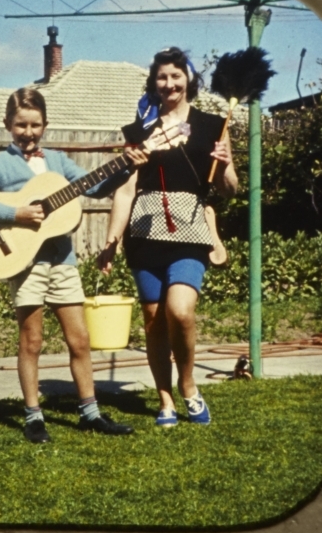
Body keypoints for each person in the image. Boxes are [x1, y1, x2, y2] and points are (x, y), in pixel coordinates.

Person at [0, 88, 138, 443]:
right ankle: (33, 416)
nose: (28, 132)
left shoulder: (56, 161)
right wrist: (16, 213)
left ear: (45, 125)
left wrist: (127, 164)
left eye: (35, 124)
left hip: (63, 260)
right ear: (7, 125)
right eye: (21, 125)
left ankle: (90, 413)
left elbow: (96, 187)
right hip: (24, 261)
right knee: (32, 340)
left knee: (81, 339)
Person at [98, 47, 238, 427]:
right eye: (162, 77)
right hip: (143, 232)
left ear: (188, 79)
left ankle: (189, 387)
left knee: (180, 310)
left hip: (190, 229)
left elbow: (230, 189)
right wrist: (111, 241)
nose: (169, 84)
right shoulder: (139, 131)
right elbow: (125, 192)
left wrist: (225, 164)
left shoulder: (212, 126)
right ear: (154, 82)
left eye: (176, 76)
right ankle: (165, 400)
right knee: (154, 320)